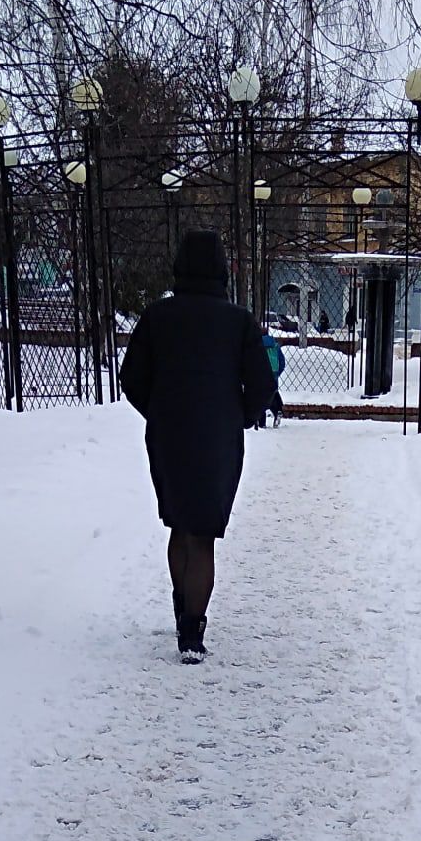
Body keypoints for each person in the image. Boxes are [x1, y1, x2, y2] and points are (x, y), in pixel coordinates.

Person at [119, 232, 277, 661]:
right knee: (203, 533)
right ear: (222, 269)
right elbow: (263, 383)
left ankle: (181, 607)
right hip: (217, 438)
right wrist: (239, 416)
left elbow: (131, 377)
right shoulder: (238, 321)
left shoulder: (157, 317)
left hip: (169, 434)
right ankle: (193, 631)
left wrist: (159, 410)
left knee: (179, 526)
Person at [259, 325, 285, 427]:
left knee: (260, 399)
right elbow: (282, 362)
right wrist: (277, 374)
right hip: (273, 375)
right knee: (273, 394)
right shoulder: (275, 345)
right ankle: (278, 410)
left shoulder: (256, 344)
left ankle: (261, 423)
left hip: (260, 376)